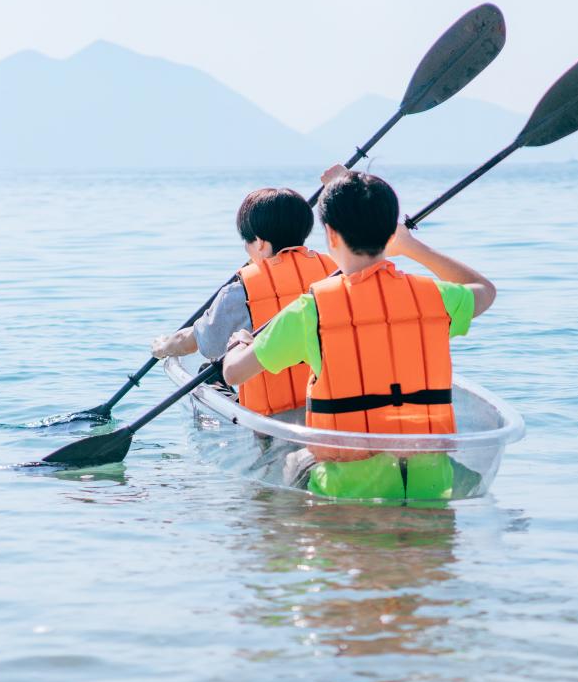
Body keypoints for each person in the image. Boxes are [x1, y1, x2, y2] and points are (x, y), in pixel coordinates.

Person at [221, 169, 495, 502]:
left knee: (286, 462)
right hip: (430, 482)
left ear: (331, 235)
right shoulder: (436, 298)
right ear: (389, 232)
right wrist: (411, 248)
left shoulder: (311, 310)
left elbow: (234, 372)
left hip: (345, 491)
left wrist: (240, 344)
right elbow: (485, 290)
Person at [150, 187, 337, 416]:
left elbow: (198, 342)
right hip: (331, 405)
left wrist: (163, 346)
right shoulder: (335, 273)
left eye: (246, 242)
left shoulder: (241, 291)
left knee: (209, 371)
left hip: (271, 418)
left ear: (259, 243)